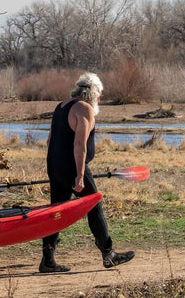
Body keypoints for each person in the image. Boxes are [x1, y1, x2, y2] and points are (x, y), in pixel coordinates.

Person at [39, 72, 135, 273]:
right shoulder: (84, 108)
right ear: (92, 93)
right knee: (94, 204)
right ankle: (109, 254)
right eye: (99, 94)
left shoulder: (61, 106)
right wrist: (80, 175)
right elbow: (79, 144)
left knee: (57, 210)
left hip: (55, 166)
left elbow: (49, 141)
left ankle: (48, 259)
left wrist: (56, 168)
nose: (100, 99)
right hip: (72, 167)